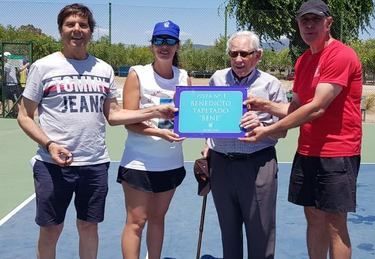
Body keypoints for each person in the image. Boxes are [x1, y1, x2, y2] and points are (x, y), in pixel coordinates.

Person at [17, 4, 176, 259]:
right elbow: (24, 116)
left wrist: (154, 113)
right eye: (70, 25)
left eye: (83, 25)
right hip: (52, 164)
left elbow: (113, 115)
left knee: (89, 227)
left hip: (94, 164)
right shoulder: (43, 67)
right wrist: (49, 145)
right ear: (61, 30)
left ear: (91, 31)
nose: (77, 30)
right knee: (51, 230)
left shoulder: (103, 69)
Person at [241, 1, 363, 258]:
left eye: (315, 20)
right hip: (307, 151)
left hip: (337, 152)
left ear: (328, 23)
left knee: (334, 223)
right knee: (314, 217)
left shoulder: (341, 55)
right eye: (303, 20)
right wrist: (265, 105)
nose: (308, 25)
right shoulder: (304, 61)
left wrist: (267, 130)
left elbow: (317, 107)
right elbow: (296, 106)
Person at [201, 31, 287, 259]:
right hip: (221, 165)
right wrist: (207, 143)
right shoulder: (217, 79)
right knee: (228, 233)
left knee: (261, 233)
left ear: (258, 56)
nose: (238, 59)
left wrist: (262, 123)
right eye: (233, 53)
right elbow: (208, 117)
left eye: (245, 54)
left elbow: (284, 130)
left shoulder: (271, 84)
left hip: (258, 164)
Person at [117, 20, 190, 259]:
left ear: (177, 45)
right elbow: (129, 120)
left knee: (158, 219)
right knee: (136, 221)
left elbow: (189, 118)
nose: (164, 46)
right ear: (152, 45)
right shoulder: (138, 74)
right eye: (159, 40)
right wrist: (159, 132)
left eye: (170, 41)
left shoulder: (184, 76)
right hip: (139, 163)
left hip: (170, 163)